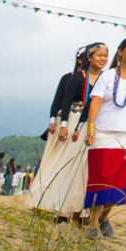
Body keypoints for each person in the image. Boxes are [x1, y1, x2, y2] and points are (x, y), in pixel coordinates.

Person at [29, 45, 105, 220]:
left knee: (81, 166)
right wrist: (58, 123)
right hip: (71, 120)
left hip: (89, 124)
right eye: (98, 55)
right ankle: (49, 198)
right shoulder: (72, 78)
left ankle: (76, 205)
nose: (102, 59)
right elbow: (60, 101)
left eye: (104, 56)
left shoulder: (103, 79)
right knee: (62, 160)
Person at [85, 36, 126, 238]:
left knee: (119, 181)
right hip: (103, 134)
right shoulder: (108, 76)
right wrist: (91, 129)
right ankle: (93, 222)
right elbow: (95, 102)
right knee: (101, 178)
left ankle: (104, 216)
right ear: (120, 52)